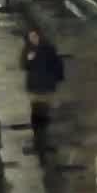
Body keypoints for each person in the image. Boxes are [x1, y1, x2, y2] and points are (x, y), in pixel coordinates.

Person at [23, 25, 65, 153]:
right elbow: (23, 65)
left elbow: (58, 66)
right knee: (36, 116)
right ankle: (39, 142)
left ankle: (42, 142)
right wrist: (28, 60)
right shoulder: (28, 50)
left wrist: (55, 81)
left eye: (35, 36)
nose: (33, 39)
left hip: (45, 88)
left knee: (43, 116)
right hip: (35, 88)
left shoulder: (48, 49)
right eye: (31, 37)